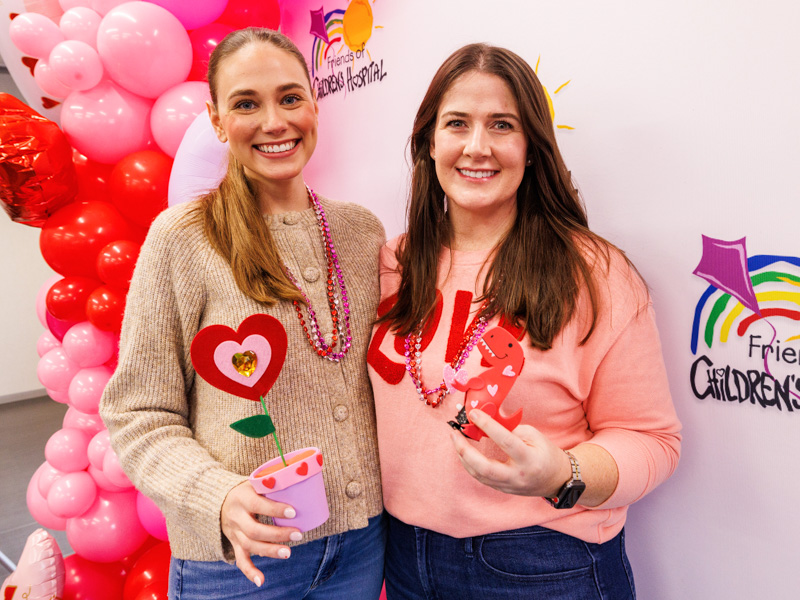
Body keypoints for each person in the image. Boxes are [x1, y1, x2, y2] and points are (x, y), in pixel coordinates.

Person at [367, 43, 681, 599]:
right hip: (404, 559)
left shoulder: (593, 273)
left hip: (542, 562)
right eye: (457, 123)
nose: (477, 146)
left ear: (532, 148)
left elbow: (652, 439)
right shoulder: (392, 262)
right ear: (429, 143)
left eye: (502, 125)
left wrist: (563, 474)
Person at [100, 28, 386, 600]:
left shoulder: (362, 232)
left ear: (314, 105)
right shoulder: (183, 238)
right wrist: (219, 496)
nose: (274, 122)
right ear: (216, 121)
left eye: (289, 98)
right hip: (237, 565)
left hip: (360, 549)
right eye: (246, 104)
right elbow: (137, 413)